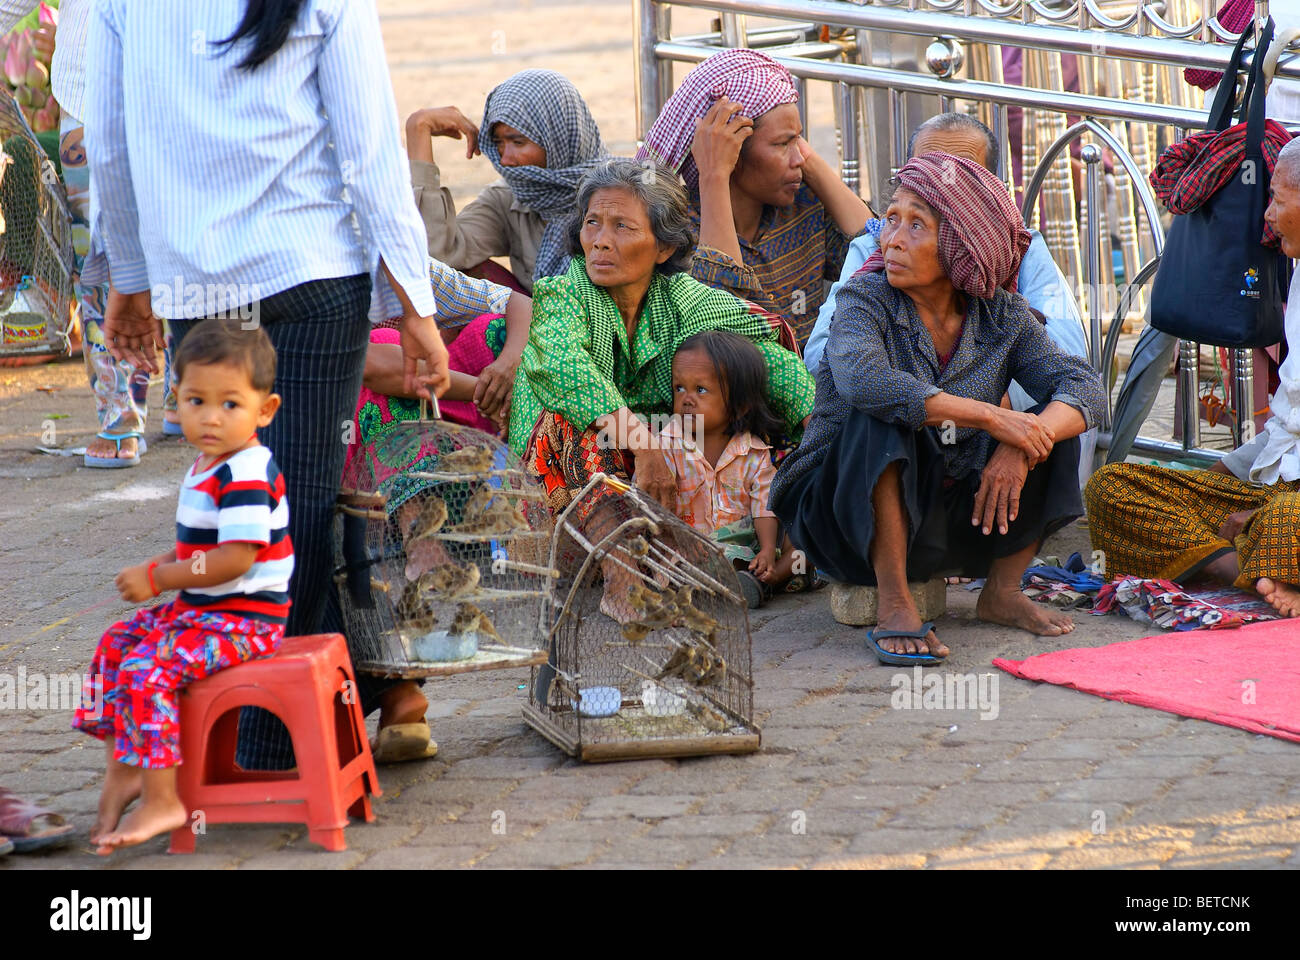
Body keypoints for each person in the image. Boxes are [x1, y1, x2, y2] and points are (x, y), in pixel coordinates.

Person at [90, 0, 451, 770]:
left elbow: (110, 147)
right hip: (312, 269)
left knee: (232, 507)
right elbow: (368, 153)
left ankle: (261, 726)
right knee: (304, 506)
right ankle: (277, 728)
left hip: (199, 284)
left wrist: (129, 276)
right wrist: (413, 302)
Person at [770, 153, 1106, 665]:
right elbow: (866, 382)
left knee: (1051, 422)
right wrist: (993, 418)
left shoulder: (1002, 314)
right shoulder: (864, 299)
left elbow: (1085, 387)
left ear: (959, 247)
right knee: (884, 414)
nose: (892, 239)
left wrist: (1021, 443)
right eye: (892, 219)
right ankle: (894, 603)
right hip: (841, 517)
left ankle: (1002, 591)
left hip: (949, 518)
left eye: (917, 226)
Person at [72, 319, 292, 853]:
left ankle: (163, 797)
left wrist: (160, 578)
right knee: (115, 645)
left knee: (149, 671)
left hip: (246, 622)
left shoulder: (245, 470)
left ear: (265, 411)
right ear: (177, 398)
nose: (211, 417)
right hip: (206, 612)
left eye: (230, 405)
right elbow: (199, 548)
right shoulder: (207, 463)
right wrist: (164, 564)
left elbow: (235, 560)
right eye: (196, 401)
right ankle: (127, 767)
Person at [506, 157, 815, 516]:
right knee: (577, 422)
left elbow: (765, 358)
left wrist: (818, 429)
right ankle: (619, 563)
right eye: (592, 223)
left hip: (659, 452)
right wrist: (645, 446)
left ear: (664, 247)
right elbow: (564, 366)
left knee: (753, 401)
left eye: (622, 226)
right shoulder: (562, 293)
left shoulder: (682, 300)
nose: (601, 242)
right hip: (569, 476)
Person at [804, 112, 1097, 487]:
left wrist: (1024, 435)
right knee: (883, 423)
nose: (940, 187)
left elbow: (1073, 366)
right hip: (907, 446)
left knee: (1059, 423)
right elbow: (827, 358)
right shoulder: (877, 257)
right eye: (928, 171)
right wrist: (979, 410)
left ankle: (998, 541)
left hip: (980, 450)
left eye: (961, 176)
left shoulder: (1017, 261)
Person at [1085, 138, 1300, 618]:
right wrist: (1221, 478)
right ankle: (1245, 566)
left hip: (1292, 504)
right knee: (1111, 489)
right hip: (1270, 489)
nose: (1265, 215)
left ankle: (1256, 553)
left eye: (1277, 201)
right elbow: (1286, 424)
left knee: (1287, 518)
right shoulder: (1296, 273)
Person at [0, 0, 177, 465]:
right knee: (97, 253)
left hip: (180, 88)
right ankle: (120, 413)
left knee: (180, 245)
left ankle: (191, 386)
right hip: (90, 91)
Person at [637, 48, 871, 347]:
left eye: (800, 139)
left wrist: (807, 159)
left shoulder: (804, 205)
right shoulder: (675, 232)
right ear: (733, 150)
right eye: (782, 144)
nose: (799, 157)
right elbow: (721, 322)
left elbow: (876, 254)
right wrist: (714, 176)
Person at [406, 69, 607, 293]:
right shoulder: (508, 199)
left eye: (518, 142)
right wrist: (418, 129)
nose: (505, 159)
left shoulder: (618, 194)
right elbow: (434, 260)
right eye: (499, 143)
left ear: (558, 140)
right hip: (538, 325)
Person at [656, 330, 813, 608]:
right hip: (689, 549)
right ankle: (757, 583)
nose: (687, 399)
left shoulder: (753, 452)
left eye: (700, 390)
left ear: (739, 407)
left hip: (748, 547)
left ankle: (768, 576)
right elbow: (652, 504)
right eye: (679, 387)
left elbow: (764, 505)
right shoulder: (665, 445)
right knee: (704, 559)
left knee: (804, 539)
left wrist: (766, 549)